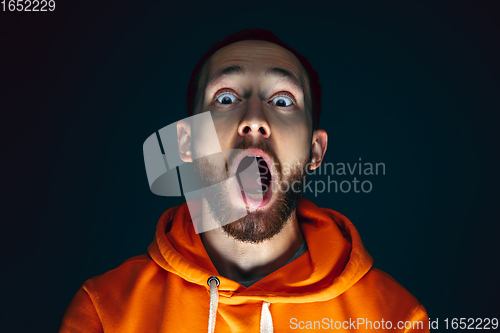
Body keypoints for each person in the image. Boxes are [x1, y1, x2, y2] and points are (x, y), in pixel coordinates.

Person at [59, 28, 429, 332]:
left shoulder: (395, 319)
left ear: (315, 151)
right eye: (225, 97)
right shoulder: (105, 312)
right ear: (186, 142)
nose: (254, 118)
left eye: (282, 101)